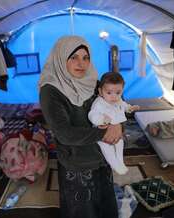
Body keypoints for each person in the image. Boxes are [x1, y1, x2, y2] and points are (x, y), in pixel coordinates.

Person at [38, 36, 120, 218]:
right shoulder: (50, 90)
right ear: (61, 57)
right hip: (77, 162)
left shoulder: (92, 82)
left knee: (105, 205)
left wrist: (118, 125)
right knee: (83, 210)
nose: (81, 63)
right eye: (73, 57)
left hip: (101, 157)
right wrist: (104, 131)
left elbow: (114, 100)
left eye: (86, 57)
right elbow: (64, 134)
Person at [88, 72, 139, 175]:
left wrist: (129, 108)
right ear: (100, 92)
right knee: (107, 148)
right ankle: (114, 164)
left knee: (120, 143)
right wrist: (102, 119)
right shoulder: (99, 103)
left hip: (116, 130)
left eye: (118, 92)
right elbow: (92, 115)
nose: (114, 97)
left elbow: (123, 105)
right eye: (109, 93)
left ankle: (120, 161)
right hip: (102, 132)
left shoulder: (118, 100)